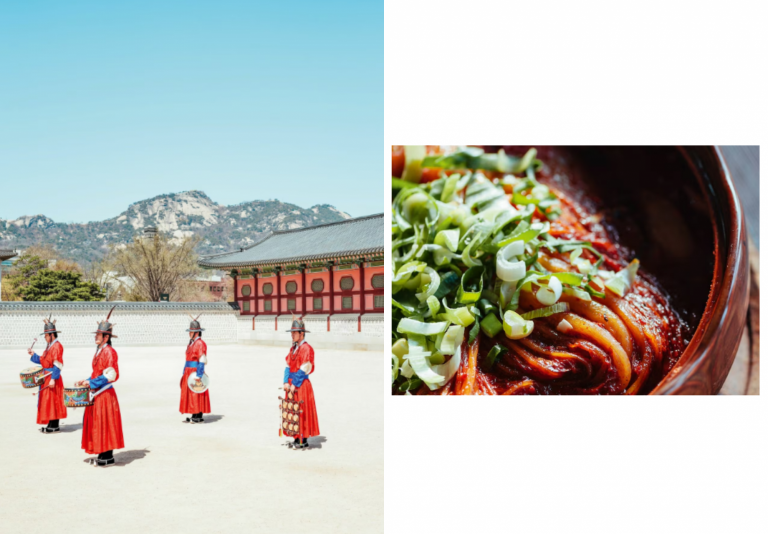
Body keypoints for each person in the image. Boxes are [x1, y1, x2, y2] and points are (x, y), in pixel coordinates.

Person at [74, 306, 124, 467]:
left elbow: (111, 375)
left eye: (98, 334)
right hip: (98, 392)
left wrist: (92, 383)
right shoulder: (99, 351)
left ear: (105, 337)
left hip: (104, 393)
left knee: (105, 423)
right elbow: (97, 372)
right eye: (96, 334)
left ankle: (107, 456)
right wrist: (86, 380)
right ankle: (102, 454)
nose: (96, 336)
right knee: (99, 423)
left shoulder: (109, 352)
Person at [283, 317, 319, 449]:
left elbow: (304, 368)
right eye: (291, 333)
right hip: (292, 384)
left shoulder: (306, 348)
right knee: (293, 411)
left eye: (295, 332)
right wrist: (286, 381)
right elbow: (287, 365)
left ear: (301, 334)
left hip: (301, 384)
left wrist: (295, 384)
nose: (292, 335)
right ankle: (296, 436)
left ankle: (303, 438)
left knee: (301, 411)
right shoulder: (293, 348)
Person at [28, 317, 67, 433]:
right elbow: (43, 360)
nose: (45, 338)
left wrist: (53, 379)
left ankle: (54, 425)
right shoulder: (50, 346)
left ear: (51, 335)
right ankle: (51, 423)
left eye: (46, 336)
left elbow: (58, 364)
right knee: (49, 401)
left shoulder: (57, 346)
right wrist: (33, 354)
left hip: (52, 377)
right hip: (47, 376)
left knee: (54, 400)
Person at [180, 315, 211, 424]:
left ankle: (198, 415)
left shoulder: (200, 343)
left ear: (196, 332)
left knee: (196, 391)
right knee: (191, 392)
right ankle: (194, 413)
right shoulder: (191, 343)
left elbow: (202, 359)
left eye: (191, 332)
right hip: (188, 370)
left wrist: (199, 374)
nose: (189, 333)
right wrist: (184, 372)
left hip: (195, 370)